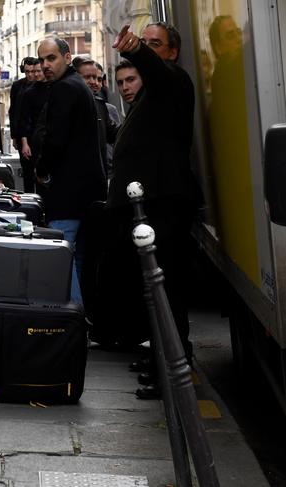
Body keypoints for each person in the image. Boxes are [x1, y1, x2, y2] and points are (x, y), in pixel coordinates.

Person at [110, 22, 201, 399]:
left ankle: (173, 373)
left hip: (165, 205)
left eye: (155, 44)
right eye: (144, 42)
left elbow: (157, 73)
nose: (148, 48)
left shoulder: (173, 81)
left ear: (172, 52)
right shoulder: (151, 93)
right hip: (148, 207)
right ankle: (162, 358)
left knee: (167, 292)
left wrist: (134, 50)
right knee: (153, 291)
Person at [36, 37, 106, 304]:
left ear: (67, 58)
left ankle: (73, 324)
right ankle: (78, 320)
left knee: (61, 254)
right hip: (87, 191)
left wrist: (42, 170)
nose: (45, 65)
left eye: (51, 58)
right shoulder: (75, 85)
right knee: (75, 257)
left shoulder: (65, 88)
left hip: (70, 192)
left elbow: (55, 140)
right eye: (42, 59)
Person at [72, 57, 119, 179]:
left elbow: (113, 134)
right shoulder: (63, 103)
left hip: (100, 175)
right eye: (87, 77)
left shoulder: (100, 104)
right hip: (74, 177)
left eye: (96, 78)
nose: (94, 82)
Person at [9, 57, 39, 192]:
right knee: (27, 172)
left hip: (37, 134)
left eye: (33, 71)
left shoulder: (42, 85)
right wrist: (14, 136)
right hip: (22, 134)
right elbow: (13, 111)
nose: (31, 75)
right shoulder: (17, 86)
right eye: (27, 72)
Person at [18, 60, 48, 192]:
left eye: (38, 71)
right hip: (33, 139)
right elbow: (23, 120)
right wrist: (24, 143)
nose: (35, 74)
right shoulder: (29, 93)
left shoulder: (55, 89)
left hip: (49, 138)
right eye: (33, 71)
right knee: (32, 177)